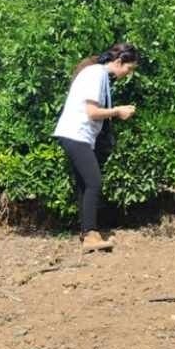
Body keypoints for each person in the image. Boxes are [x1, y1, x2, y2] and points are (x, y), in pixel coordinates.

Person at [52, 43, 139, 252]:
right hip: (76, 133)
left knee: (85, 184)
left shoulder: (97, 74)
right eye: (129, 69)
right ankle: (90, 235)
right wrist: (118, 111)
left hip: (75, 134)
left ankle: (88, 233)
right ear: (119, 62)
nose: (128, 74)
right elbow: (92, 112)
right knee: (93, 182)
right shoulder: (96, 75)